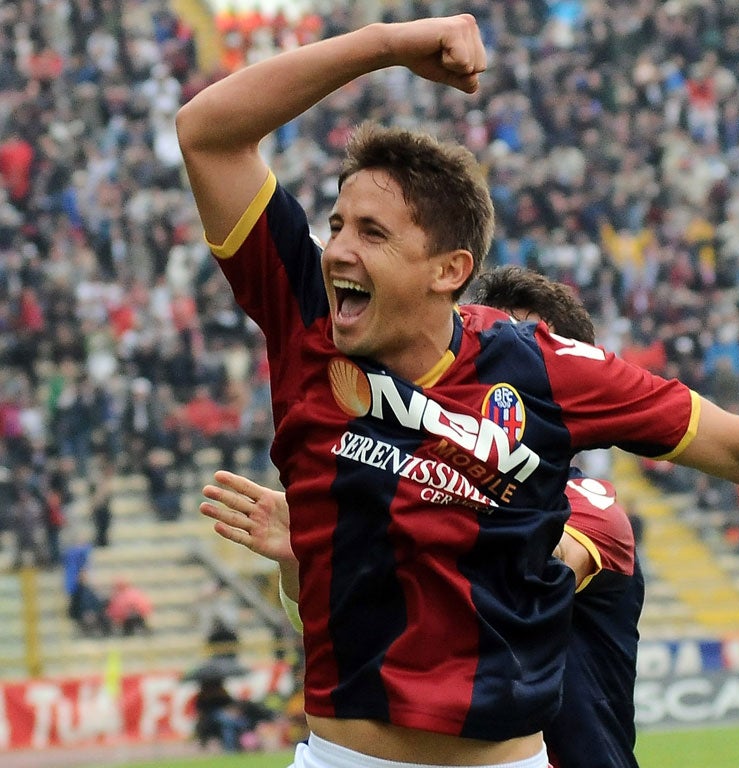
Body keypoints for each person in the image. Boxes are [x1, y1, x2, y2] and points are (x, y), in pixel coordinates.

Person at [176, 14, 739, 767]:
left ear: (449, 272)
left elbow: (738, 442)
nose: (337, 249)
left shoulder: (541, 366)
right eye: (337, 224)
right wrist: (388, 45)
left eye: (373, 233)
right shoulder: (303, 317)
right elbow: (208, 133)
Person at [202, 266, 644, 768]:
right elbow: (352, 626)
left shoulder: (594, 508)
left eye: (528, 352)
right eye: (488, 342)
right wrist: (307, 557)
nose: (501, 367)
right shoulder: (434, 496)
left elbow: (518, 567)